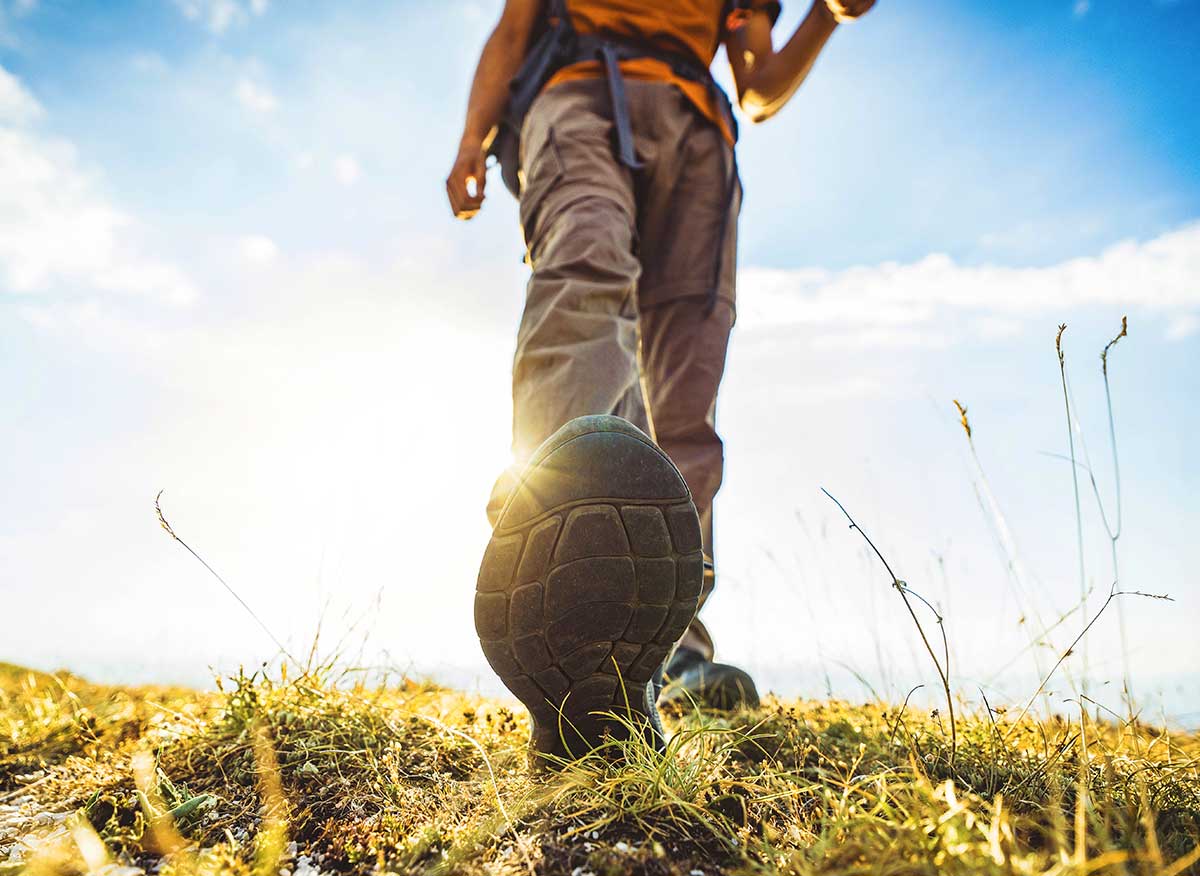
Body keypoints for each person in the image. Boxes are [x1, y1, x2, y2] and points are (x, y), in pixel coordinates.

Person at [448, 0, 876, 761]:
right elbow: (514, 29)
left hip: (700, 131)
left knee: (686, 380)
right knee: (584, 275)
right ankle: (560, 588)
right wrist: (470, 143)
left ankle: (668, 648)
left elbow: (758, 81)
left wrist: (828, 15)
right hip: (578, 94)